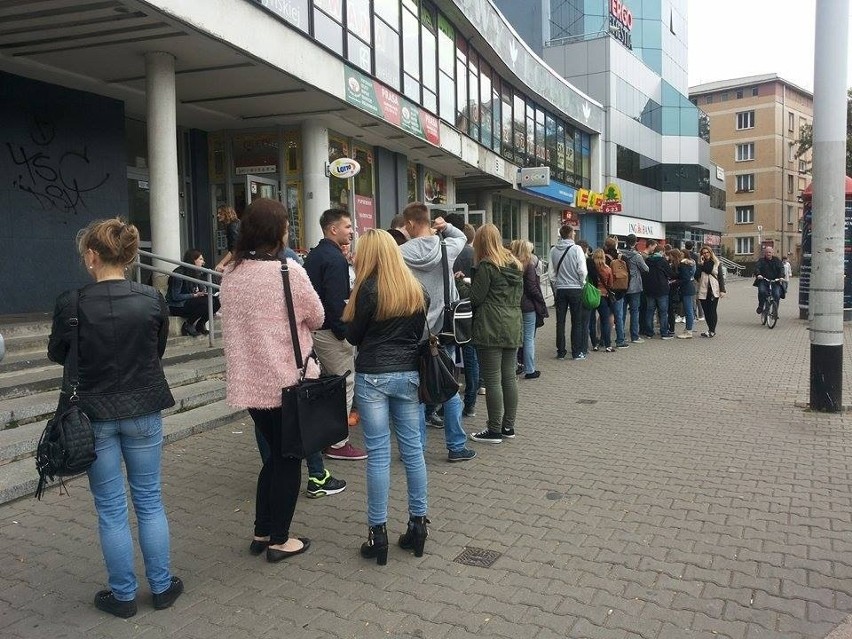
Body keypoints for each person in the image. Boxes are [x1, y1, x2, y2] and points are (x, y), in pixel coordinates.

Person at [48, 218, 182, 618]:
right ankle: (161, 587)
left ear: (91, 256)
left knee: (110, 507)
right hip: (143, 409)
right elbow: (155, 349)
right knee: (149, 500)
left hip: (92, 415)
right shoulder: (151, 299)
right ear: (129, 256)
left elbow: (58, 353)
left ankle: (123, 595)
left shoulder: (70, 302)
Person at [220, 198, 315, 563]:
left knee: (274, 456)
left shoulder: (231, 274)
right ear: (279, 230)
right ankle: (280, 540)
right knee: (289, 458)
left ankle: (261, 530)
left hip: (249, 384)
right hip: (286, 381)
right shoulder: (289, 271)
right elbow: (318, 316)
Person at [343, 229, 430, 565]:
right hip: (409, 374)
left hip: (373, 376)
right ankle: (418, 525)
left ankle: (376, 533)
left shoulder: (366, 289)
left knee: (378, 454)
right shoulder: (415, 288)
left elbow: (353, 336)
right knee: (413, 452)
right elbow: (420, 330)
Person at [399, 202, 476, 462]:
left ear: (409, 224)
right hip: (443, 330)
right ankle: (456, 446)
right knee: (448, 386)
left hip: (411, 330)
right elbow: (463, 236)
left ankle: (417, 449)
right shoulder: (446, 246)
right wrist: (446, 226)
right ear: (428, 221)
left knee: (415, 393)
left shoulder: (398, 253)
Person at [303, 209, 367, 462]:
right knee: (344, 382)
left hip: (317, 329)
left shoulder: (315, 255)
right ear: (333, 229)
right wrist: (344, 334)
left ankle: (325, 437)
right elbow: (335, 301)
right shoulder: (334, 259)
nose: (352, 231)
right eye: (348, 227)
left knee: (330, 384)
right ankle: (338, 443)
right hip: (331, 331)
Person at [469, 224, 523, 444]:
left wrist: (462, 285)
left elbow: (476, 298)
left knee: (492, 379)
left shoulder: (487, 266)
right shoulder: (515, 265)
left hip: (491, 325)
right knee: (509, 378)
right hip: (513, 323)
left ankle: (493, 430)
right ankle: (508, 426)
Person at [549, 225, 588, 360]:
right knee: (576, 321)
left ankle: (561, 351)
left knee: (560, 321)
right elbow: (582, 270)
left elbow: (551, 273)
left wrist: (557, 285)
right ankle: (576, 352)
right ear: (571, 234)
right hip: (575, 288)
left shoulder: (553, 250)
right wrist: (581, 283)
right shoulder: (577, 249)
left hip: (561, 289)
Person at [510, 239, 547, 378]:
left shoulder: (511, 265)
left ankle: (513, 367)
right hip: (528, 306)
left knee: (515, 338)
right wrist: (540, 299)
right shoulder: (529, 265)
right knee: (528, 338)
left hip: (514, 304)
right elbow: (532, 286)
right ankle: (530, 369)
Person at [454, 223, 480, 414]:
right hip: (473, 313)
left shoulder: (455, 253)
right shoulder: (475, 255)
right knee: (472, 360)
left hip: (457, 311)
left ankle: (454, 402)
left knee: (455, 358)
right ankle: (470, 402)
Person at [166, 249, 220, 337]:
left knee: (217, 301)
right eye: (201, 259)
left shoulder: (195, 272)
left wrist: (203, 291)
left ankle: (200, 324)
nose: (203, 262)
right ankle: (188, 325)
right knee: (206, 302)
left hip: (189, 302)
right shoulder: (179, 274)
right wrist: (194, 295)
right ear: (193, 260)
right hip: (177, 306)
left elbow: (202, 288)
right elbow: (175, 296)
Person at [621, 234, 649, 344]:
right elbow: (646, 269)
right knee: (634, 311)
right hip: (635, 286)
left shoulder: (620, 253)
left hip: (622, 285)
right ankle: (634, 336)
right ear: (635, 242)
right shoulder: (637, 256)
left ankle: (621, 335)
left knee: (621, 312)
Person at [643, 242, 674, 339]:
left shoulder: (647, 260)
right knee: (663, 312)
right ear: (661, 252)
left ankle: (649, 333)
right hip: (662, 289)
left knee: (650, 311)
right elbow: (671, 274)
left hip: (649, 289)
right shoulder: (663, 261)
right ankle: (664, 332)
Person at [588, 248, 615, 352]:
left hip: (591, 296)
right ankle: (607, 345)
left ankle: (595, 344)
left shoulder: (590, 268)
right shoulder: (607, 269)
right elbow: (611, 284)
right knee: (605, 321)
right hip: (603, 296)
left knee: (592, 321)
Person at [697, 246, 726, 338]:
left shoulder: (716, 263)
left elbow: (719, 276)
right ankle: (710, 329)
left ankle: (712, 331)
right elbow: (696, 275)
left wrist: (722, 290)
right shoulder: (700, 263)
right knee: (706, 311)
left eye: (707, 252)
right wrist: (700, 264)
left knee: (712, 311)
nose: (705, 254)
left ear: (710, 252)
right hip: (703, 289)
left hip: (714, 290)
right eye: (703, 253)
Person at [755, 246, 784, 313]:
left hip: (775, 281)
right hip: (764, 280)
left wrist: (781, 277)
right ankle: (761, 306)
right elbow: (757, 267)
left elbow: (781, 268)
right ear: (765, 253)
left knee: (776, 294)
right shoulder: (761, 260)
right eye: (767, 252)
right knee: (761, 291)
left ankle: (774, 311)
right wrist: (758, 274)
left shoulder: (777, 260)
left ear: (772, 253)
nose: (768, 254)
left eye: (770, 252)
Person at [676, 249, 697, 339]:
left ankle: (688, 331)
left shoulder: (683, 264)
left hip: (686, 289)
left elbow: (685, 278)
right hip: (690, 287)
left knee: (688, 310)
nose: (679, 255)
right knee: (689, 310)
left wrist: (676, 282)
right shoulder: (692, 263)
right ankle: (688, 329)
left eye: (681, 253)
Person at [214, 205, 240, 272]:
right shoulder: (236, 224)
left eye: (220, 213)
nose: (218, 215)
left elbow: (234, 249)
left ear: (226, 213)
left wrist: (221, 263)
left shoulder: (232, 227)